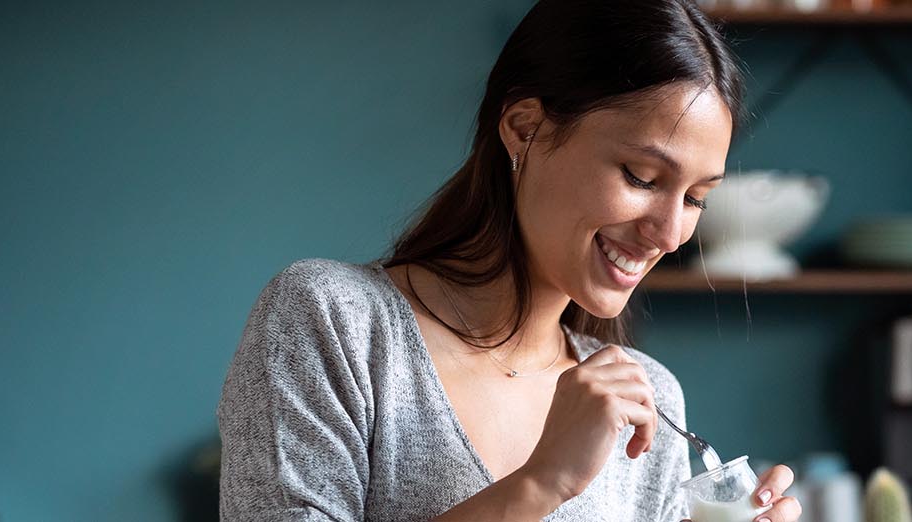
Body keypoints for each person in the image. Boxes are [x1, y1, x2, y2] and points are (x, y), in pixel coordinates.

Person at [217, 0, 802, 520]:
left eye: (697, 198)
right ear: (524, 129)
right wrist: (541, 484)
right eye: (641, 176)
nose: (671, 234)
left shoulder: (649, 400)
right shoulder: (332, 323)